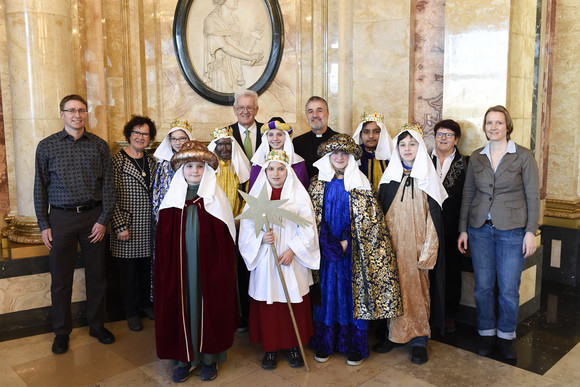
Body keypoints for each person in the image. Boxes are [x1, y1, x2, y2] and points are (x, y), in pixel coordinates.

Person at [309, 134, 402, 366]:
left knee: (352, 296)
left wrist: (347, 242)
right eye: (335, 153)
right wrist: (327, 242)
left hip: (354, 255)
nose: (340, 157)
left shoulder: (361, 183)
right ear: (329, 157)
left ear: (350, 157)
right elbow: (309, 217)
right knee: (327, 295)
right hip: (326, 255)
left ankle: (355, 346)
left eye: (344, 153)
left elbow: (370, 221)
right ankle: (325, 343)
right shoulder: (317, 183)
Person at [34, 94, 116, 354]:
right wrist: (43, 224)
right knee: (60, 279)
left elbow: (109, 186)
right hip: (61, 219)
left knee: (97, 275)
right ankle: (61, 331)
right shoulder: (47, 146)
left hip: (93, 217)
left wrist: (103, 220)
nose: (77, 115)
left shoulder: (99, 146)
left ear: (86, 114)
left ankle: (96, 324)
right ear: (62, 114)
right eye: (71, 111)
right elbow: (40, 187)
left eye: (81, 110)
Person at [457, 106, 540, 360]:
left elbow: (532, 197)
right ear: (485, 127)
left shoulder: (523, 156)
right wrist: (463, 229)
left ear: (508, 126)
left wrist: (530, 232)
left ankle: (506, 336)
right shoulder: (477, 157)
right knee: (482, 287)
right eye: (489, 123)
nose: (493, 127)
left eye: (498, 123)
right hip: (480, 230)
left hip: (512, 232)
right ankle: (486, 332)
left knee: (507, 288)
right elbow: (468, 194)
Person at [154, 141, 238, 382]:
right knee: (182, 306)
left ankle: (210, 359)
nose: (194, 171)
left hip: (208, 271)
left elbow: (225, 239)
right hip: (180, 271)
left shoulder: (215, 199)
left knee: (208, 307)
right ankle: (184, 359)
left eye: (199, 167)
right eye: (189, 166)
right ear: (181, 170)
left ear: (207, 170)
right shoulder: (171, 203)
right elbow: (163, 244)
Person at [239, 149, 320, 370]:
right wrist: (261, 238)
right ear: (265, 172)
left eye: (281, 169)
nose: (276, 174)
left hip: (290, 260)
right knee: (270, 303)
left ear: (288, 171)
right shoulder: (256, 198)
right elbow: (246, 231)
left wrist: (293, 250)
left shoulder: (298, 195)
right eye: (271, 169)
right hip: (267, 259)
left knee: (291, 301)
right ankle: (271, 348)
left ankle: (293, 346)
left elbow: (309, 228)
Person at [375, 125, 447, 365]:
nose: (407, 149)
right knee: (391, 290)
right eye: (403, 145)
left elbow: (434, 220)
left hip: (417, 250)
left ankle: (419, 339)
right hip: (392, 249)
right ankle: (393, 335)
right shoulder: (389, 180)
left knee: (418, 293)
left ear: (420, 147)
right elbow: (380, 216)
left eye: (412, 144)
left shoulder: (429, 178)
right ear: (397, 149)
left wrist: (428, 251)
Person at [110, 115, 157, 332]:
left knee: (147, 269)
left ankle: (146, 305)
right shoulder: (117, 161)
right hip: (127, 227)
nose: (140, 137)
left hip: (148, 227)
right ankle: (131, 312)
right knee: (128, 274)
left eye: (145, 134)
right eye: (136, 133)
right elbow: (110, 196)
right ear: (129, 135)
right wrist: (119, 226)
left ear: (150, 138)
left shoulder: (152, 161)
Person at [208, 126, 252, 330]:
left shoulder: (240, 168)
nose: (225, 148)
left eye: (228, 144)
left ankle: (241, 315)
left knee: (239, 272)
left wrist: (239, 218)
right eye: (221, 145)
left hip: (238, 226)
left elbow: (247, 194)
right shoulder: (208, 170)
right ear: (214, 148)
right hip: (214, 226)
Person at [431, 119, 469, 333]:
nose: (443, 138)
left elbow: (468, 197)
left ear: (456, 139)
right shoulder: (425, 159)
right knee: (429, 268)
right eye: (439, 134)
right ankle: (429, 311)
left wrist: (464, 228)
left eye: (448, 134)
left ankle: (449, 314)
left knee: (452, 271)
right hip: (429, 224)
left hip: (454, 226)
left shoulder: (466, 163)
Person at [203, 1, 264, 93]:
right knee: (224, 97)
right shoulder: (211, 20)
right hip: (221, 69)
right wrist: (250, 57)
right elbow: (225, 47)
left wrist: (255, 35)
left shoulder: (235, 20)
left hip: (236, 69)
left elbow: (240, 46)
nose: (236, 0)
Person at [248, 118, 309, 190]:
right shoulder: (258, 163)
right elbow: (253, 193)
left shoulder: (298, 163)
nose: (275, 138)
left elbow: (302, 192)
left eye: (279, 134)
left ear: (285, 137)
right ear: (266, 137)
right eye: (271, 135)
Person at [152, 119, 194, 220]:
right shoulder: (164, 163)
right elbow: (158, 189)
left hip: (190, 206)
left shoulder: (196, 161)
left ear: (189, 139)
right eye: (174, 139)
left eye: (182, 138)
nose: (178, 143)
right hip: (169, 207)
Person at [293, 96, 339, 179]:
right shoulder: (297, 143)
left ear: (327, 114)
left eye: (319, 111)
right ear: (307, 116)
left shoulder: (340, 140)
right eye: (310, 111)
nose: (315, 115)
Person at [352, 112, 392, 191]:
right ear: (360, 134)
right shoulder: (355, 157)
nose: (371, 136)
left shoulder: (391, 156)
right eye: (366, 132)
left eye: (376, 131)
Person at [228, 89, 263, 161]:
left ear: (256, 110)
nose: (245, 112)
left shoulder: (268, 132)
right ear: (235, 110)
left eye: (249, 107)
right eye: (241, 107)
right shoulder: (225, 133)